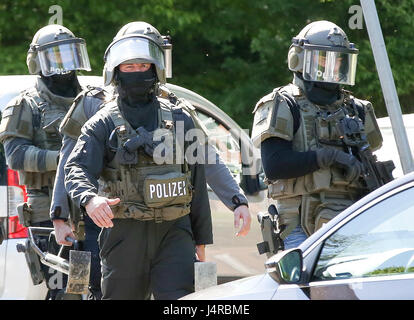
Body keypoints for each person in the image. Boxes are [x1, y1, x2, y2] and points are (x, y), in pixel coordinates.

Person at [51, 21, 251, 299]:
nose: (136, 72)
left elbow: (202, 165)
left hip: (174, 231)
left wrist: (235, 202)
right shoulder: (98, 114)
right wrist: (67, 212)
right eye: (129, 66)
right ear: (116, 68)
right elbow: (72, 164)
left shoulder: (178, 113)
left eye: (143, 65)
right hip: (119, 229)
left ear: (156, 66)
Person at [251, 20, 394, 250]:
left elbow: (370, 158)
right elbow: (274, 165)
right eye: (323, 61)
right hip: (298, 224)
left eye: (338, 61)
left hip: (351, 219)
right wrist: (329, 157)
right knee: (302, 285)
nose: (332, 70)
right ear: (298, 59)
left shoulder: (355, 109)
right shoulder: (284, 104)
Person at [0, 24, 91, 299]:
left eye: (69, 55)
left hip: (90, 210)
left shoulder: (89, 101)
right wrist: (64, 159)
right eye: (56, 57)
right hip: (47, 213)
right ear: (37, 62)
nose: (65, 66)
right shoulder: (25, 105)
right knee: (65, 292)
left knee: (96, 288)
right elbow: (15, 155)